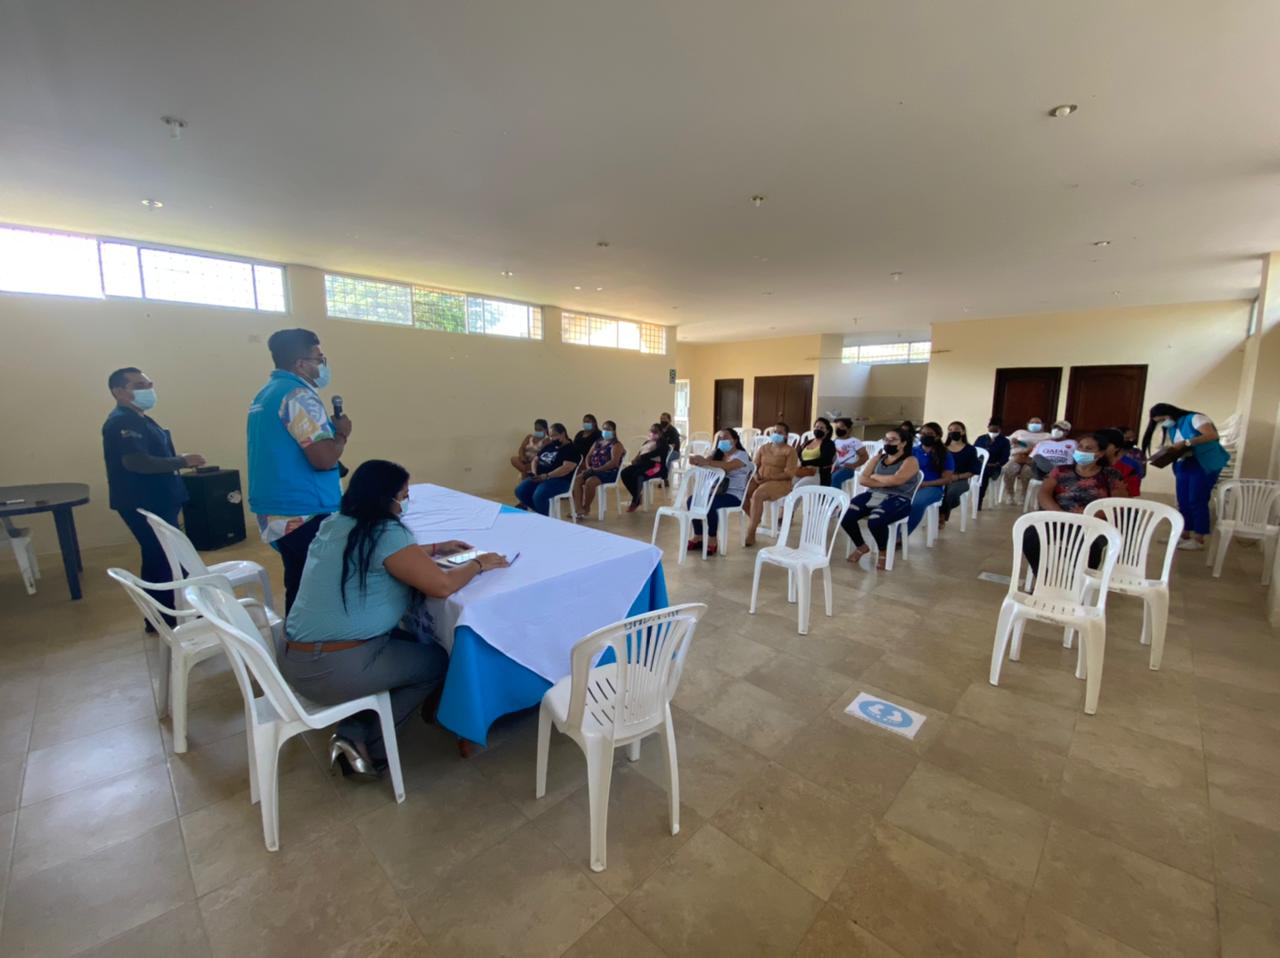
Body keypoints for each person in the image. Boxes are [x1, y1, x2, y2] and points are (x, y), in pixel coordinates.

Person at [281, 460, 508, 778]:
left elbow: (385, 553)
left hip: (295, 659)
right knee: (438, 660)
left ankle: (354, 727)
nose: (405, 503)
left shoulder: (336, 522)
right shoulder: (386, 532)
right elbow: (442, 586)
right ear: (384, 497)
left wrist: (435, 547)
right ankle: (371, 746)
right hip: (332, 669)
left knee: (409, 641)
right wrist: (479, 564)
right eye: (402, 496)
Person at [248, 328, 350, 614]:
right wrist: (341, 434)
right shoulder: (299, 396)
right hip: (305, 510)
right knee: (319, 588)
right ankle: (312, 639)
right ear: (301, 364)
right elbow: (323, 458)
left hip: (277, 506)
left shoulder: (266, 394)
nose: (323, 365)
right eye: (319, 359)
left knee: (299, 581)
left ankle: (294, 636)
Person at [102, 367, 206, 623]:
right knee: (165, 558)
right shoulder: (122, 422)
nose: (148, 390)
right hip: (144, 501)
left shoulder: (140, 419)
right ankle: (172, 616)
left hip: (158, 499)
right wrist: (182, 461)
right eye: (139, 386)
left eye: (149, 384)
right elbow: (137, 462)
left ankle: (159, 616)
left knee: (157, 557)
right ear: (119, 392)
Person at [1023, 433, 1129, 573]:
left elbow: (1116, 504)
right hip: (1059, 518)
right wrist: (1060, 513)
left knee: (1090, 547)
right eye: (1080, 447)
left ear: (1100, 454)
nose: (1082, 450)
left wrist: (1087, 517)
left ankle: (1078, 581)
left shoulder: (1110, 474)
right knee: (1031, 537)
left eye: (1088, 448)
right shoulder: (1060, 470)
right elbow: (1044, 494)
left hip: (1091, 523)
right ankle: (1043, 577)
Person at [1141, 402, 1230, 550]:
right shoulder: (1173, 427)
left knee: (1197, 499)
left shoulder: (1195, 418)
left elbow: (1212, 435)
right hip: (1185, 462)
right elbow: (1179, 446)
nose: (1163, 423)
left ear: (1170, 413)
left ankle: (1199, 538)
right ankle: (1184, 534)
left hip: (1203, 463)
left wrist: (1187, 442)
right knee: (1183, 500)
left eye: (1163, 419)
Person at [841, 428, 921, 570]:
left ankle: (883, 552)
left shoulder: (910, 460)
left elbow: (897, 480)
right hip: (874, 494)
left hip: (899, 498)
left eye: (893, 440)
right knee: (845, 514)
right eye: (886, 439)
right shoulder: (878, 458)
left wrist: (875, 477)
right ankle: (861, 546)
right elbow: (862, 479)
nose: (888, 443)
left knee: (875, 520)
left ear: (903, 443)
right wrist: (885, 482)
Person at [685, 428, 752, 556]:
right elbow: (704, 463)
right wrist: (696, 460)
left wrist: (707, 461)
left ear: (735, 440)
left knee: (710, 503)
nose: (722, 440)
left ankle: (712, 537)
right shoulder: (717, 454)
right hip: (714, 492)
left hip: (734, 495)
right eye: (720, 438)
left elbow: (728, 466)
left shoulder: (741, 455)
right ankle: (698, 535)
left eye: (726, 437)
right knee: (691, 500)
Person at [743, 422, 799, 547]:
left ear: (786, 435)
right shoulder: (764, 448)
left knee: (758, 494)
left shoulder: (790, 451)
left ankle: (751, 531)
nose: (776, 434)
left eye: (780, 432)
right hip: (760, 478)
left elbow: (789, 474)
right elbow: (754, 465)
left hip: (779, 482)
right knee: (743, 492)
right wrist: (756, 475)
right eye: (774, 432)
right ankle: (755, 518)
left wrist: (769, 478)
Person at [514, 422, 581, 515]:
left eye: (554, 436)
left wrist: (547, 476)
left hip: (560, 480)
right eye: (550, 436)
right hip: (541, 477)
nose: (552, 438)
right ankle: (543, 514)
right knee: (520, 491)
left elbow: (566, 468)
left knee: (539, 494)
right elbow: (535, 460)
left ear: (563, 434)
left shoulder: (572, 449)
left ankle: (544, 517)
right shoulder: (550, 446)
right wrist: (534, 473)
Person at [571, 420, 625, 518]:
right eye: (604, 429)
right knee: (577, 480)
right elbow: (588, 456)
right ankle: (578, 508)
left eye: (608, 429)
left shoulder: (616, 445)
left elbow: (614, 463)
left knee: (590, 482)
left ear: (614, 431)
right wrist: (588, 467)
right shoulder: (598, 442)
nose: (605, 431)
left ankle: (586, 507)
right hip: (593, 470)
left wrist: (597, 470)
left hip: (608, 472)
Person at [908, 422, 955, 535]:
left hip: (932, 488)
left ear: (937, 436)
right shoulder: (912, 451)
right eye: (922, 433)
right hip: (911, 485)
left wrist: (925, 484)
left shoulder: (944, 454)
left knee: (917, 503)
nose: (925, 436)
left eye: (929, 434)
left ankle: (901, 536)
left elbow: (947, 479)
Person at [620, 424, 670, 512]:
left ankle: (635, 501)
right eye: (651, 431)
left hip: (656, 467)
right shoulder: (647, 442)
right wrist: (636, 459)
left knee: (639, 475)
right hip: (643, 464)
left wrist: (643, 457)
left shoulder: (662, 443)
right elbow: (640, 452)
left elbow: (657, 453)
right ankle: (637, 496)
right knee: (625, 473)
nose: (652, 433)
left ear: (660, 433)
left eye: (655, 431)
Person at [938, 421, 979, 527]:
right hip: (942, 478)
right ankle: (935, 515)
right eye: (950, 430)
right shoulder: (942, 448)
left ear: (963, 432)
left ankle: (942, 516)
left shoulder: (970, 449)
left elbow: (973, 470)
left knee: (951, 493)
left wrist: (957, 477)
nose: (953, 432)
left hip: (961, 479)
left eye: (956, 429)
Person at [1001, 416, 1048, 501]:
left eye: (1037, 423)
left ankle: (1024, 494)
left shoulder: (1047, 436)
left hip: (1033, 460)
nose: (1034, 424)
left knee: (1026, 471)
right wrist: (1013, 441)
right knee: (1009, 469)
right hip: (1017, 457)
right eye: (1032, 422)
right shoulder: (1019, 432)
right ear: (1027, 424)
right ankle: (1010, 493)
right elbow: (1007, 441)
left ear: (1042, 425)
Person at [974, 417, 1011, 509]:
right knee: (982, 471)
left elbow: (1005, 457)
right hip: (980, 465)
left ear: (1000, 429)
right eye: (991, 428)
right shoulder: (981, 439)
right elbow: (974, 452)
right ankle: (977, 499)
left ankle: (979, 500)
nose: (993, 431)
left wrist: (996, 464)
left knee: (985, 473)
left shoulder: (1004, 441)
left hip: (994, 467)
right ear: (988, 427)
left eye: (995, 429)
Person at [1095, 428, 1141, 496]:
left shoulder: (1130, 467)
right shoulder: (1090, 462)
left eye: (1105, 444)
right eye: (1096, 445)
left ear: (1117, 447)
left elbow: (1130, 495)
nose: (1099, 448)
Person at [794, 417, 837, 488]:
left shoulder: (829, 444)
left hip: (817, 473)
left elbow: (825, 461)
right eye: (816, 427)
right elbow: (798, 454)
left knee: (798, 487)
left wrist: (805, 463)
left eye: (821, 428)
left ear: (827, 431)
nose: (818, 429)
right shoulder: (808, 442)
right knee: (787, 483)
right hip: (802, 471)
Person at [829, 418, 869, 491]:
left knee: (834, 478)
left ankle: (835, 497)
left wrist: (854, 465)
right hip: (835, 467)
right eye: (837, 427)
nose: (838, 429)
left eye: (841, 427)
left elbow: (865, 456)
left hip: (847, 469)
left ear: (849, 429)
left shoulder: (854, 441)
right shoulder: (834, 441)